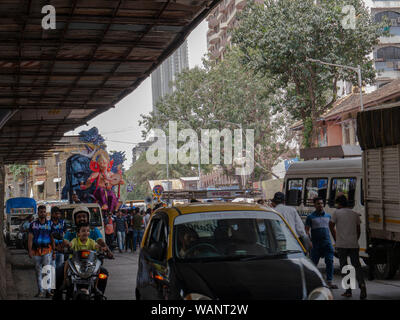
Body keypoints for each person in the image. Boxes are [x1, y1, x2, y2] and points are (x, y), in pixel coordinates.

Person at [330, 195, 367, 299]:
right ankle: (362, 286)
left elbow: (330, 225)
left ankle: (348, 290)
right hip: (353, 244)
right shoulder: (354, 214)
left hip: (342, 245)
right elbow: (358, 229)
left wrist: (336, 237)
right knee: (357, 266)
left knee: (345, 267)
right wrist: (355, 239)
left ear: (338, 204)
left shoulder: (336, 213)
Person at [305, 197, 337, 289]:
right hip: (315, 244)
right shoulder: (310, 217)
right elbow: (306, 230)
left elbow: (332, 230)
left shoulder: (328, 216)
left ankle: (329, 282)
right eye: (318, 204)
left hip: (327, 243)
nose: (321, 205)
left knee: (330, 262)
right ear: (314, 205)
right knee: (313, 264)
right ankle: (312, 282)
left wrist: (336, 241)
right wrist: (309, 241)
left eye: (322, 203)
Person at [28, 205, 55, 298]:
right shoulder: (33, 224)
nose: (43, 213)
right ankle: (40, 291)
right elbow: (30, 238)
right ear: (38, 213)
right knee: (38, 271)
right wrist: (30, 250)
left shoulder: (50, 224)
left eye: (44, 212)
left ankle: (48, 291)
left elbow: (52, 238)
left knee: (47, 270)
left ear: (46, 213)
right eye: (41, 212)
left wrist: (54, 251)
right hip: (36, 251)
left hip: (47, 250)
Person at [63, 223, 101, 289]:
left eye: (87, 231)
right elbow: (71, 244)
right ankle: (65, 280)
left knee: (98, 265)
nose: (86, 233)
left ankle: (95, 286)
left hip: (88, 263)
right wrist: (68, 244)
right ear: (78, 234)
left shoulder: (91, 241)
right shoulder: (75, 241)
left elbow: (96, 246)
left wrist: (101, 247)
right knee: (67, 263)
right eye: (83, 231)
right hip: (75, 262)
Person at [50, 206, 66, 282]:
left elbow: (65, 234)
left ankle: (58, 286)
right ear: (52, 214)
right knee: (51, 268)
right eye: (56, 214)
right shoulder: (48, 223)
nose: (58, 215)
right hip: (51, 250)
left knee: (60, 269)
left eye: (59, 214)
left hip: (61, 249)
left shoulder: (62, 222)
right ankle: (50, 289)